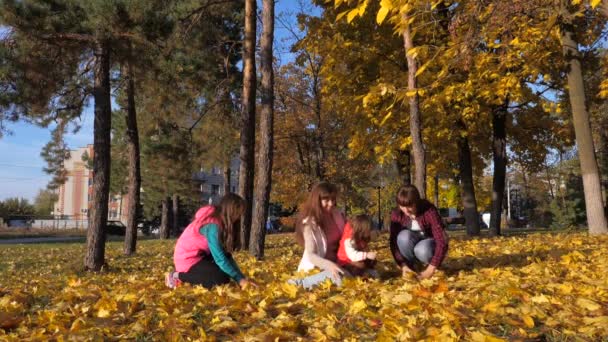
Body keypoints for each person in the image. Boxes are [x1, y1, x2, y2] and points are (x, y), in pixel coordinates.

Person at [165, 193, 256, 289]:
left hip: (201, 256)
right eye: (238, 213)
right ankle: (176, 275)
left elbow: (226, 256)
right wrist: (240, 280)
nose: (239, 216)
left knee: (223, 276)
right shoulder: (213, 226)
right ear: (230, 211)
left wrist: (242, 278)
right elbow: (220, 259)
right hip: (187, 259)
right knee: (220, 280)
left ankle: (189, 275)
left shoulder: (220, 222)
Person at [288, 182, 346, 289]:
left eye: (333, 199)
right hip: (318, 267)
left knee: (369, 273)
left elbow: (348, 239)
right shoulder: (309, 223)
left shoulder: (338, 215)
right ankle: (299, 283)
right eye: (326, 200)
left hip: (340, 263)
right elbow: (311, 255)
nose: (331, 203)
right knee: (340, 278)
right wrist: (330, 265)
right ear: (317, 200)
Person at [389, 184, 448, 280]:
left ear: (416, 202)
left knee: (422, 249)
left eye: (409, 206)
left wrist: (430, 270)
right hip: (410, 244)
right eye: (402, 206)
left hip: (428, 243)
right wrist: (403, 265)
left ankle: (430, 264)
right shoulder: (397, 215)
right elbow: (393, 243)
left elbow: (442, 241)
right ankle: (411, 266)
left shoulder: (429, 211)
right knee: (403, 237)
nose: (406, 210)